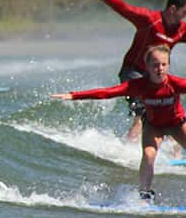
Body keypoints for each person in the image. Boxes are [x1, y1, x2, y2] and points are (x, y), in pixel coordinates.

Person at [51, 45, 186, 202]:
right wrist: (74, 95)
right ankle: (145, 193)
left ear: (168, 65)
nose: (160, 68)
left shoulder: (176, 84)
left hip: (176, 124)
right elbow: (107, 93)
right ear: (147, 66)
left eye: (163, 64)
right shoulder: (138, 85)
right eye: (155, 65)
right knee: (149, 155)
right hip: (153, 126)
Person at [84, 0, 186, 141]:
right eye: (184, 12)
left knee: (172, 114)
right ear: (172, 9)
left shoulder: (181, 29)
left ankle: (175, 157)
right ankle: (129, 150)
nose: (184, 17)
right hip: (133, 72)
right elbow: (126, 9)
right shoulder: (149, 20)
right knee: (141, 114)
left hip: (155, 76)